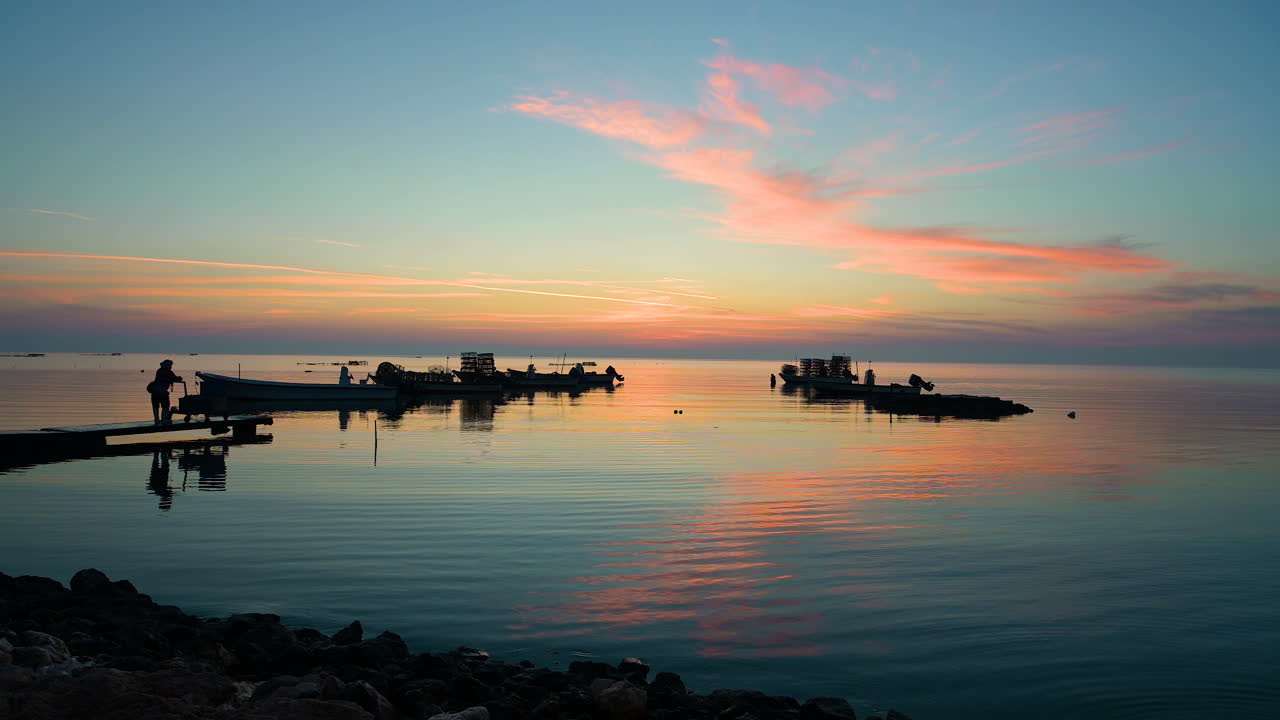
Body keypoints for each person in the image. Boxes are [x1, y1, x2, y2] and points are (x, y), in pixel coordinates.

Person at [149, 359, 183, 424]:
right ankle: (164, 420)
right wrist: (180, 378)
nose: (171, 366)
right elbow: (176, 378)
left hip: (154, 391)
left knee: (155, 406)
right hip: (162, 392)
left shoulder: (159, 370)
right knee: (165, 406)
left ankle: (156, 420)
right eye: (170, 365)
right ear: (167, 365)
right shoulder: (169, 372)